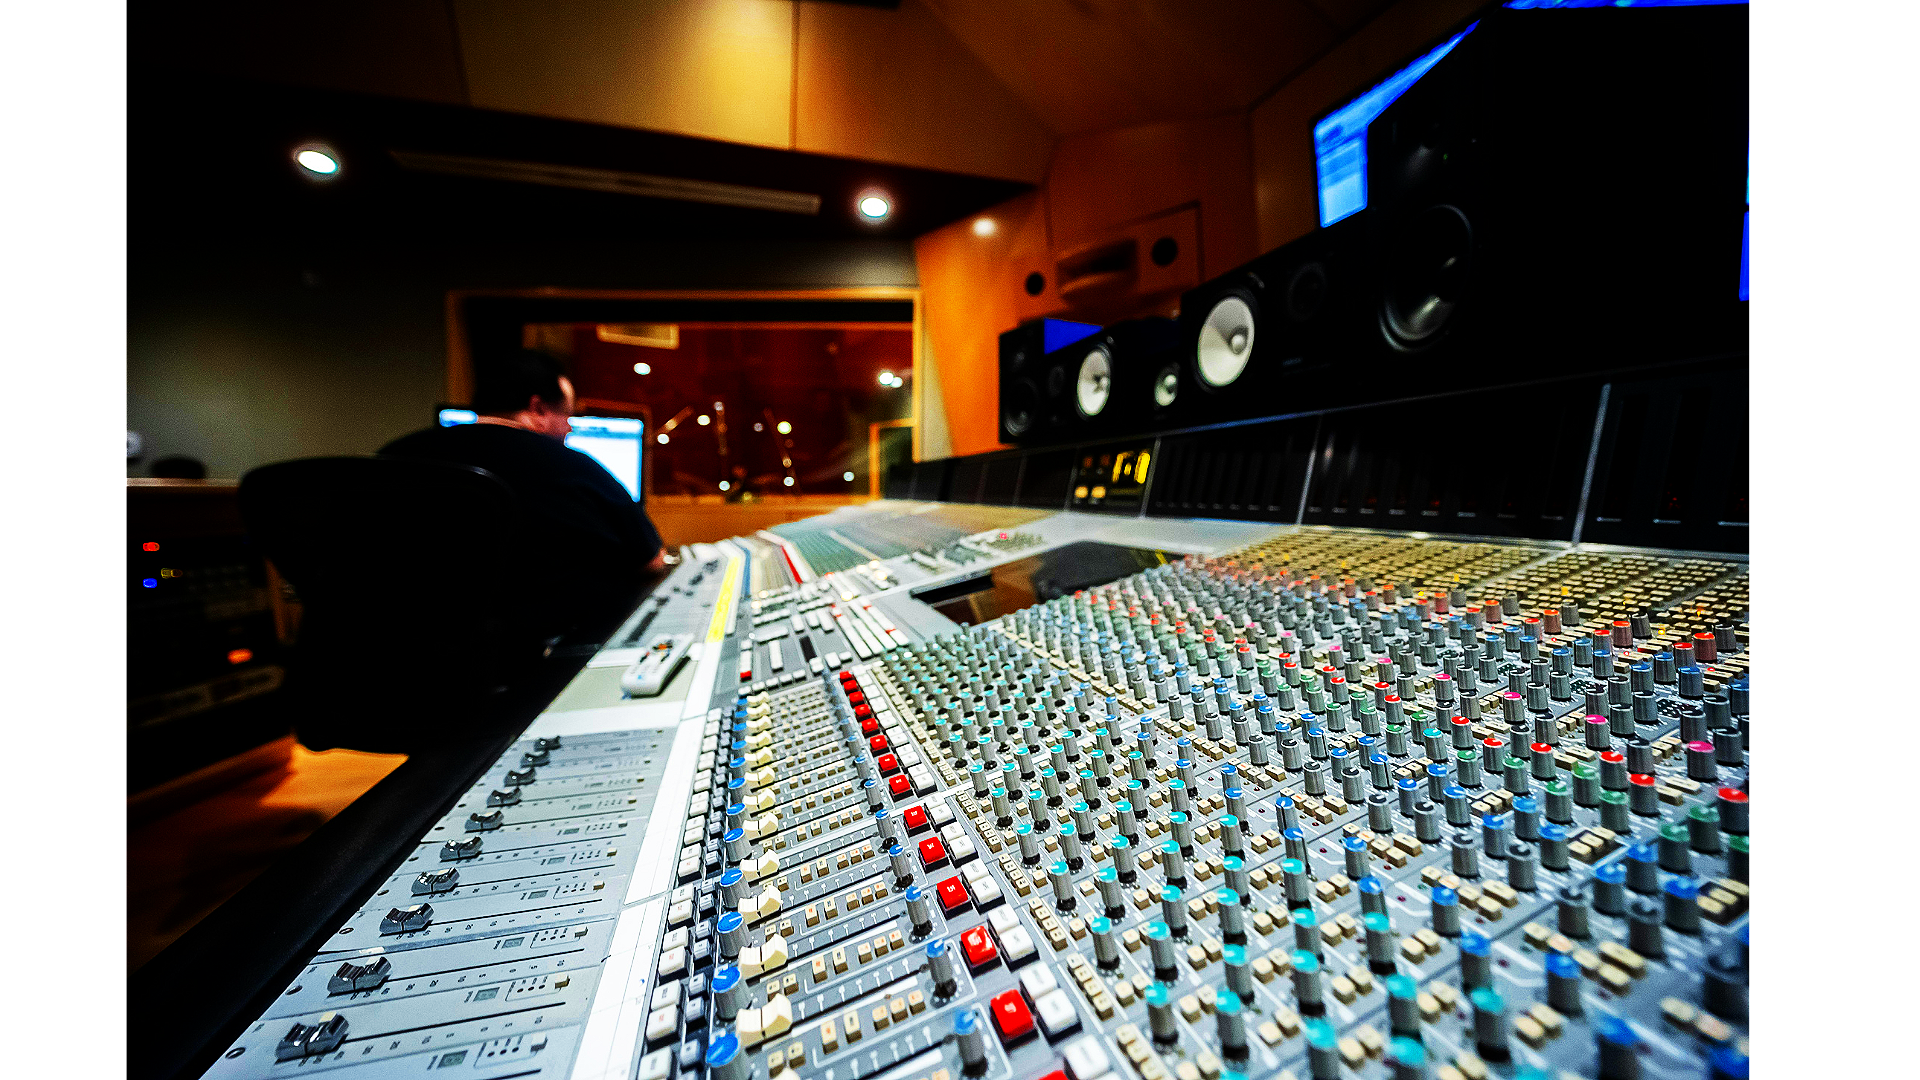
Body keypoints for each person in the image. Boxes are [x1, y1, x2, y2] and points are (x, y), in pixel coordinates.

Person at [381, 350, 667, 643]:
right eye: (567, 415)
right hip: (533, 662)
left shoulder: (395, 455)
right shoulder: (572, 464)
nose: (570, 427)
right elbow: (651, 559)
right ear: (538, 408)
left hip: (397, 648)